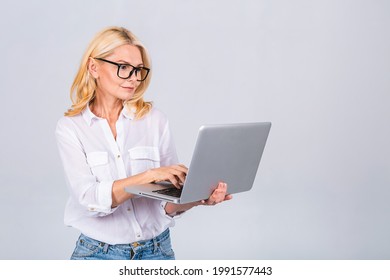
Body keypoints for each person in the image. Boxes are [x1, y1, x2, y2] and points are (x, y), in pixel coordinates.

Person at [55, 26, 232, 260]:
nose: (135, 78)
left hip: (157, 251)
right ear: (94, 67)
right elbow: (89, 199)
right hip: (98, 255)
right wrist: (148, 176)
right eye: (124, 68)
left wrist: (196, 199)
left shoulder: (155, 120)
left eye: (139, 70)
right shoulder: (71, 128)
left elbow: (166, 205)